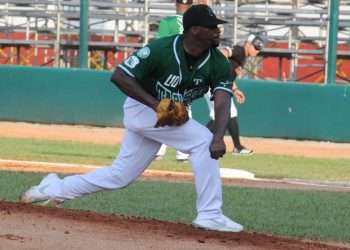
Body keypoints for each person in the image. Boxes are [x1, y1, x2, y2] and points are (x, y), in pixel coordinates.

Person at [20, 5, 244, 233]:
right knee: (202, 141)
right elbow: (119, 76)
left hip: (165, 113)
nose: (218, 31)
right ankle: (210, 214)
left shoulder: (217, 62)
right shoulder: (162, 49)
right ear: (195, 30)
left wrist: (219, 136)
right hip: (143, 108)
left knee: (120, 175)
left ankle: (52, 188)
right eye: (212, 27)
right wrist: (156, 105)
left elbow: (223, 100)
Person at [205, 33, 265, 155]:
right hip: (213, 82)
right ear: (248, 44)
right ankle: (196, 142)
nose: (257, 51)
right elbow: (222, 53)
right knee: (222, 115)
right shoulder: (239, 50)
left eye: (259, 49)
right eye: (255, 47)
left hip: (219, 84)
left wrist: (235, 90)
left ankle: (237, 147)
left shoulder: (243, 57)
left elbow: (230, 76)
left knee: (230, 113)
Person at [155, 0, 193, 162]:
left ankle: (159, 149)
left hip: (169, 69)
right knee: (184, 107)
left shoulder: (167, 22)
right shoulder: (195, 23)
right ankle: (182, 151)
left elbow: (160, 46)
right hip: (188, 70)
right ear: (190, 6)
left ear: (176, 5)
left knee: (164, 104)